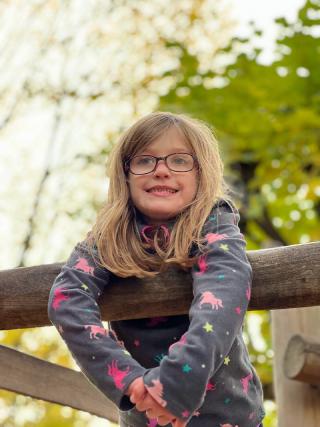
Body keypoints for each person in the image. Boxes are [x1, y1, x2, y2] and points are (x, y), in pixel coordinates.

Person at [48, 111, 265, 427]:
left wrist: (176, 382)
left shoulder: (214, 223)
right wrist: (129, 380)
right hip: (144, 417)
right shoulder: (107, 239)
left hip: (229, 418)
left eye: (179, 161)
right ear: (126, 174)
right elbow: (66, 300)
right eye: (145, 161)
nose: (162, 170)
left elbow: (225, 289)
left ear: (200, 174)